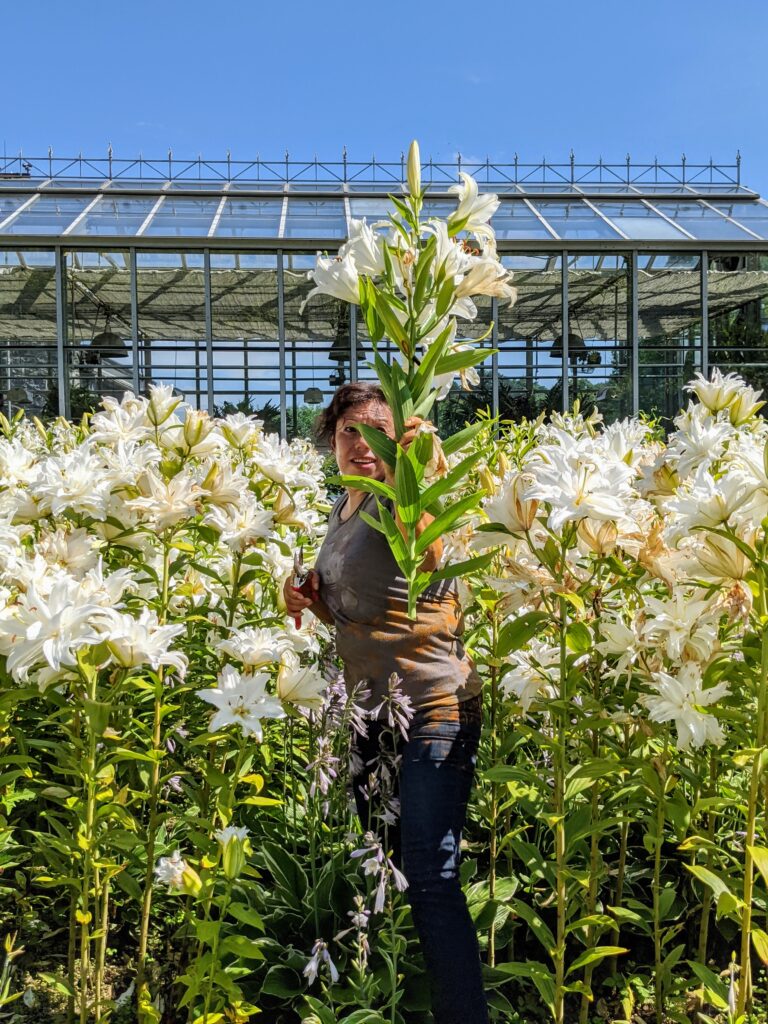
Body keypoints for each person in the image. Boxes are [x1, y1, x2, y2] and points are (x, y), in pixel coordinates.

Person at [283, 382, 489, 1024]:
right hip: (370, 712)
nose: (362, 442)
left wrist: (416, 477)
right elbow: (368, 613)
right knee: (390, 863)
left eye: (379, 430)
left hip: (433, 704)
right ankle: (411, 998)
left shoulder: (404, 499)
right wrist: (310, 600)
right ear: (333, 440)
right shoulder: (344, 509)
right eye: (350, 429)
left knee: (429, 873)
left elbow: (430, 562)